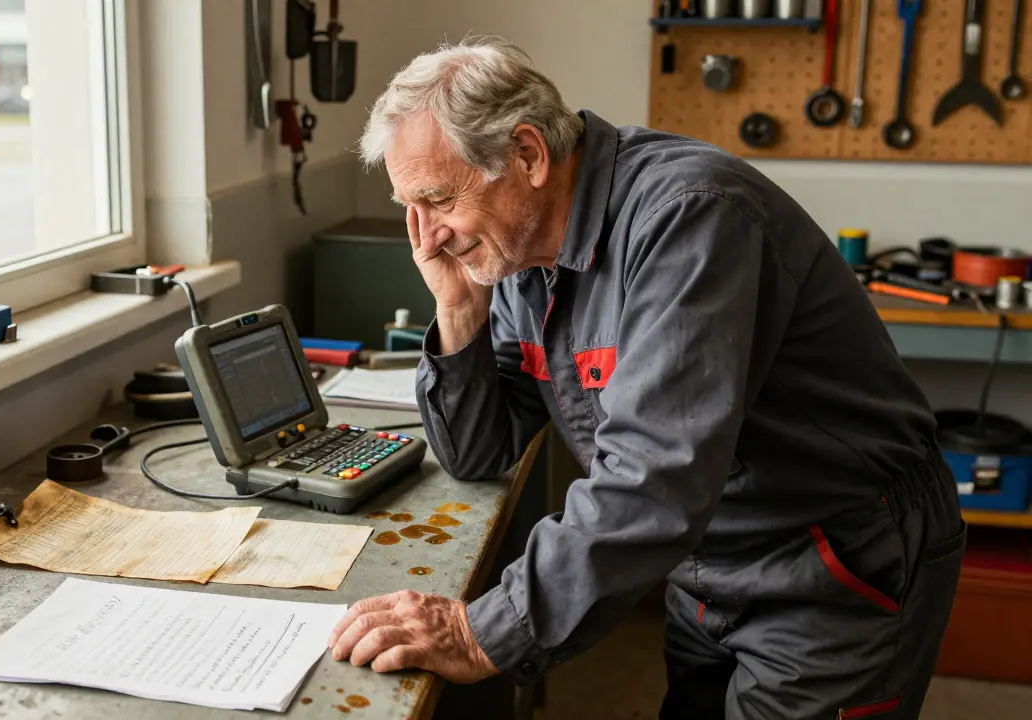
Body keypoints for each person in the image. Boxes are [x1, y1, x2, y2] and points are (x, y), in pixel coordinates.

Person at [325, 36, 966, 718]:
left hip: (829, 563)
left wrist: (483, 631)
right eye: (409, 208)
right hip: (706, 560)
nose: (424, 238)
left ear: (528, 156)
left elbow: (657, 474)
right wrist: (456, 309)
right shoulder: (517, 256)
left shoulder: (689, 217)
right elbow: (480, 452)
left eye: (437, 200)